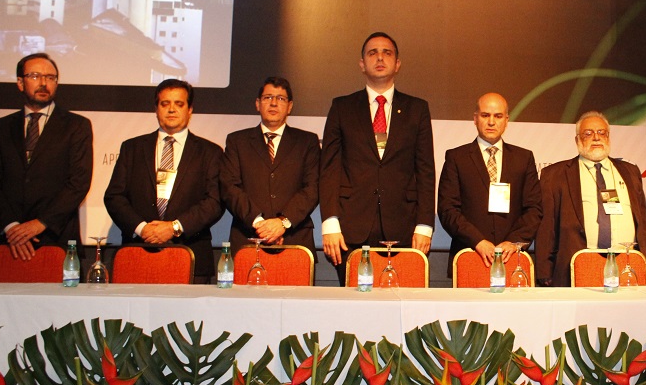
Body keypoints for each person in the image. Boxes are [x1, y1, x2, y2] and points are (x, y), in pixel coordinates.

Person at [320, 32, 435, 285]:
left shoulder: (417, 109)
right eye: (372, 53)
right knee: (354, 307)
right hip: (350, 229)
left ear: (398, 64)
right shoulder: (342, 107)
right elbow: (329, 169)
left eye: (387, 53)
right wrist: (329, 222)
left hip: (404, 228)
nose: (380, 57)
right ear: (362, 64)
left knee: (400, 307)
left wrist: (425, 226)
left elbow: (426, 171)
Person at [104, 79, 224, 283]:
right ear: (156, 109)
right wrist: (143, 228)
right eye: (165, 103)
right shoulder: (132, 148)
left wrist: (174, 227)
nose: (171, 110)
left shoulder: (210, 152)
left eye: (179, 104)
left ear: (190, 110)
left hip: (190, 252)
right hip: (137, 252)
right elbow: (114, 197)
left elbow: (214, 202)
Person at [0, 53, 93, 260]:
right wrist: (12, 227)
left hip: (56, 238)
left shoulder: (77, 126)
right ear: (20, 82)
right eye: (35, 76)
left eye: (50, 78)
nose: (43, 83)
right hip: (10, 241)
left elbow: (78, 183)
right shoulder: (1, 127)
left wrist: (40, 223)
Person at [535, 111, 646, 287]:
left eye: (601, 132)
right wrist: (544, 270)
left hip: (626, 263)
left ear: (608, 136)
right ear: (577, 140)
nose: (596, 138)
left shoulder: (630, 171)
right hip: (577, 264)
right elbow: (546, 227)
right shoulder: (555, 174)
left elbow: (642, 222)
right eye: (588, 133)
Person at [438, 92, 542, 277]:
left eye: (498, 116)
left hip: (513, 257)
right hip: (470, 254)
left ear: (507, 120)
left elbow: (534, 209)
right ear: (475, 119)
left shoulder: (524, 158)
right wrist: (478, 241)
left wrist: (513, 242)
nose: (491, 122)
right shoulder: (456, 158)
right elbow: (448, 209)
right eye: (485, 115)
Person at [220, 77, 320, 251]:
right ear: (258, 104)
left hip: (295, 239)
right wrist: (260, 224)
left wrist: (283, 222)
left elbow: (313, 188)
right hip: (248, 238)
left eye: (280, 98)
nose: (274, 103)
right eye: (268, 98)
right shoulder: (237, 141)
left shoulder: (308, 142)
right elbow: (229, 187)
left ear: (290, 106)